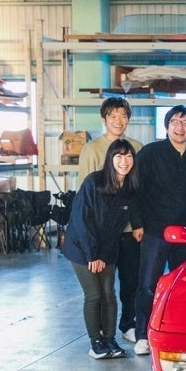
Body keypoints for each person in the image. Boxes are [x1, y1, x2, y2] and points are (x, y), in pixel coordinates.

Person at [130, 105, 186, 355]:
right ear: (167, 126)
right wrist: (137, 223)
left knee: (183, 286)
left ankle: (180, 331)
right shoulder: (150, 153)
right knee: (148, 284)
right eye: (175, 121)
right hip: (154, 231)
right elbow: (135, 190)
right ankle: (143, 334)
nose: (180, 127)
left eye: (185, 123)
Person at [62, 139, 139, 359]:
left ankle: (110, 339)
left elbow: (116, 227)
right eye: (119, 156)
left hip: (107, 247)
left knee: (109, 295)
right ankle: (95, 342)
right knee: (94, 294)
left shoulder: (129, 188)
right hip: (82, 248)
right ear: (110, 159)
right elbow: (83, 221)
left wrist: (104, 254)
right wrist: (93, 255)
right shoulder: (94, 182)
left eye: (129, 156)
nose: (124, 161)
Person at [78, 97, 144, 345]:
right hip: (102, 232)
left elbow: (137, 191)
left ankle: (128, 324)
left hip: (127, 230)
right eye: (113, 116)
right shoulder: (91, 149)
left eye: (123, 115)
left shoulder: (137, 147)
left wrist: (137, 223)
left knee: (131, 281)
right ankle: (101, 335)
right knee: (102, 289)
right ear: (104, 119)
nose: (118, 120)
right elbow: (85, 198)